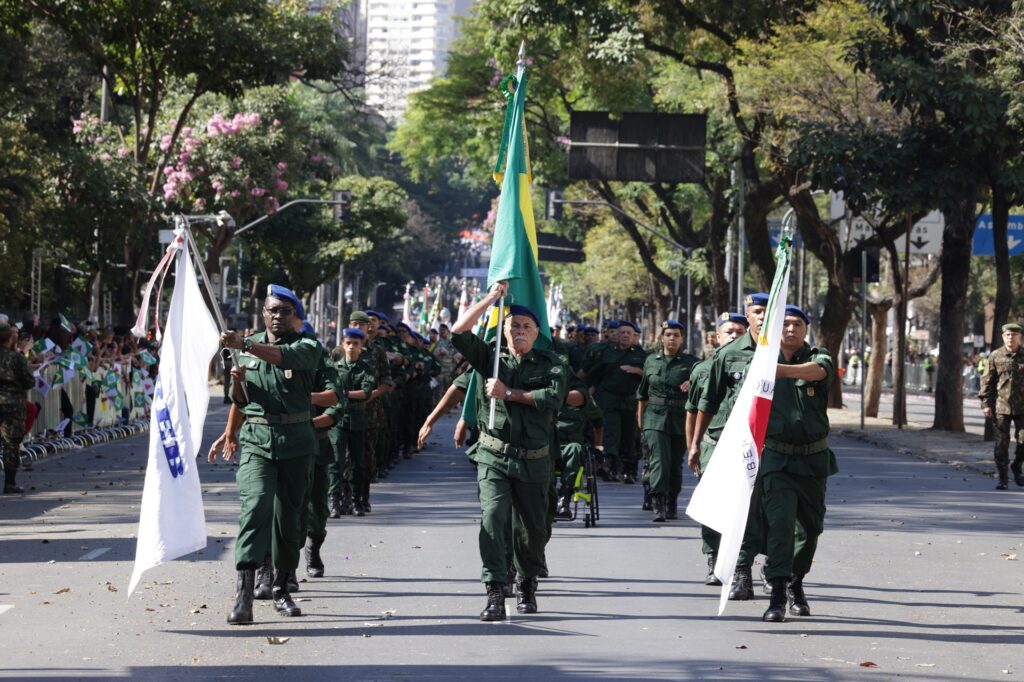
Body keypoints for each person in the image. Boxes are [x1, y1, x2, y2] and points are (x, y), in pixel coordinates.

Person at [450, 282, 567, 621]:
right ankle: (495, 591)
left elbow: (553, 399)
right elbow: (459, 331)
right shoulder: (491, 357)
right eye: (513, 325)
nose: (519, 331)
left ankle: (527, 582)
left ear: (536, 333)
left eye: (526, 327)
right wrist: (491, 298)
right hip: (494, 456)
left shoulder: (553, 362)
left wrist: (509, 393)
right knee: (493, 516)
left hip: (534, 460)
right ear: (504, 328)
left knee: (532, 529)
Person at [210, 284, 322, 625]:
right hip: (257, 440)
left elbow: (282, 358)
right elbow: (241, 401)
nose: (277, 316)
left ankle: (281, 587)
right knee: (255, 508)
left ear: (293, 316)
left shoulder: (307, 345)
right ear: (263, 313)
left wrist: (244, 344)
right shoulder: (244, 350)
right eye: (272, 310)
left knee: (289, 519)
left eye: (284, 312)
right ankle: (244, 595)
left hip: (296, 442)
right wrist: (238, 381)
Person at [759, 305, 838, 622]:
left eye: (797, 324)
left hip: (813, 459)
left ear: (806, 329)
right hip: (777, 459)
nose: (791, 329)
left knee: (810, 530)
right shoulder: (759, 361)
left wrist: (779, 370)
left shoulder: (820, 356)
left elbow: (818, 372)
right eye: (786, 324)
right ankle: (778, 592)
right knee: (780, 526)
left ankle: (797, 581)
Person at [689, 294, 769, 601]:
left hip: (772, 446)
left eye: (766, 311)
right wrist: (695, 444)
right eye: (756, 312)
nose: (762, 317)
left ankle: (773, 569)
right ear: (748, 315)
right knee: (736, 508)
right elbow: (705, 404)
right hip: (731, 445)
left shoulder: (783, 353)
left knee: (769, 512)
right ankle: (739, 570)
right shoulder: (729, 355)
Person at [685, 312, 749, 583]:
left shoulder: (758, 363)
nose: (734, 335)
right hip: (714, 444)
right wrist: (693, 446)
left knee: (749, 506)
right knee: (714, 503)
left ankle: (748, 561)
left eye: (739, 331)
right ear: (717, 337)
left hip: (746, 445)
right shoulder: (702, 370)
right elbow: (692, 411)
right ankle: (714, 556)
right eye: (729, 331)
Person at [636, 320, 698, 522]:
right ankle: (658, 503)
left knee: (674, 464)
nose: (672, 338)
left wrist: (693, 382)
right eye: (668, 334)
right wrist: (640, 420)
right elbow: (642, 393)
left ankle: (672, 501)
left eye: (676, 335)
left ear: (682, 339)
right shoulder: (651, 361)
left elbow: (704, 383)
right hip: (654, 417)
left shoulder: (691, 363)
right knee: (659, 461)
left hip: (680, 417)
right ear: (662, 337)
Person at [586, 321, 647, 483]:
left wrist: (638, 371)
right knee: (611, 434)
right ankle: (610, 468)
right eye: (622, 333)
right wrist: (588, 397)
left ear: (634, 336)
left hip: (631, 401)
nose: (626, 335)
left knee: (629, 435)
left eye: (629, 333)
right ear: (616, 336)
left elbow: (651, 377)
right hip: (609, 400)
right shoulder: (606, 353)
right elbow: (595, 377)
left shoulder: (641, 355)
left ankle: (628, 470)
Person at [329, 328, 377, 516]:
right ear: (343, 345)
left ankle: (357, 501)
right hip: (338, 420)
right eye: (348, 343)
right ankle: (335, 500)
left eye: (355, 344)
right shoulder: (334, 367)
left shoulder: (365, 369)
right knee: (335, 462)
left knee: (358, 463)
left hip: (357, 420)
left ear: (361, 346)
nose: (351, 347)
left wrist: (344, 394)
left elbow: (366, 393)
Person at [979, 323, 1024, 489]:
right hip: (1001, 408)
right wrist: (985, 403)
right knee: (1001, 445)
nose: (1011, 338)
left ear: (1020, 337)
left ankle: (1017, 465)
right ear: (1003, 337)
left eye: (1014, 335)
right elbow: (986, 381)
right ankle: (1003, 479)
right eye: (1007, 335)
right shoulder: (995, 356)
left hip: (1022, 408)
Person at [0, 321, 35, 494]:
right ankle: (10, 482)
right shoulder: (16, 358)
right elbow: (30, 381)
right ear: (9, 339)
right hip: (11, 406)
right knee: (10, 444)